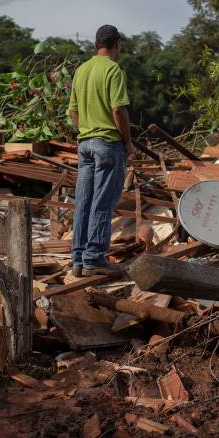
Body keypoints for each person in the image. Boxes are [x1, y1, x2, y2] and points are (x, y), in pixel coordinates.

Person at [68, 24, 136, 277]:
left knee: (83, 203)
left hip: (85, 144)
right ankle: (94, 258)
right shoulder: (113, 70)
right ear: (117, 44)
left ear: (95, 45)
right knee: (102, 203)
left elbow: (73, 111)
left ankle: (78, 260)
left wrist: (85, 130)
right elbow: (118, 109)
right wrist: (128, 143)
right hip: (107, 143)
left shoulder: (81, 70)